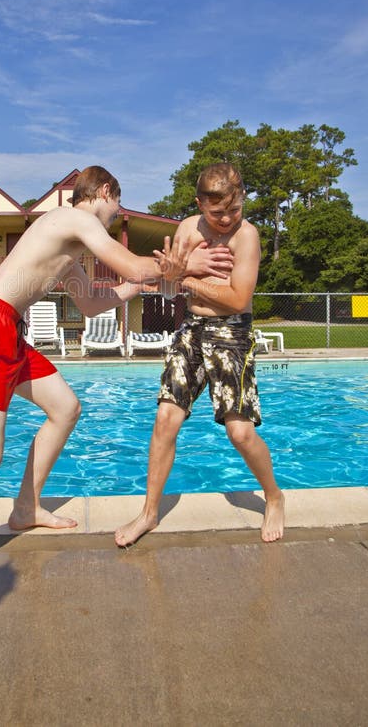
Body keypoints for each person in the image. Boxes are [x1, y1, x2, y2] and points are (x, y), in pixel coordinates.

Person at [0, 165, 231, 608]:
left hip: (6, 329)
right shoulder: (74, 218)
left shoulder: (70, 245)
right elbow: (132, 261)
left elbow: (91, 302)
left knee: (65, 408)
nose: (116, 212)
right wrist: (183, 264)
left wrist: (137, 286)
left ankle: (26, 509)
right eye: (116, 204)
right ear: (104, 191)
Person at [115, 162, 285, 548]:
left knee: (239, 433)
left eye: (234, 208)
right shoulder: (187, 230)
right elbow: (169, 295)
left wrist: (185, 277)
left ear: (242, 199)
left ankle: (274, 496)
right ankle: (149, 513)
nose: (226, 219)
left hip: (232, 331)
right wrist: (175, 279)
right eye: (216, 212)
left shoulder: (248, 237)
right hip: (191, 328)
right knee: (165, 418)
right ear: (199, 204)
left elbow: (239, 298)